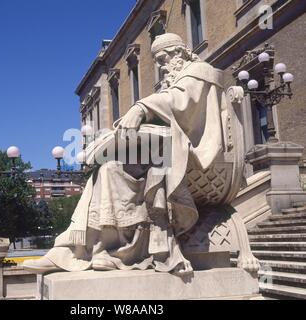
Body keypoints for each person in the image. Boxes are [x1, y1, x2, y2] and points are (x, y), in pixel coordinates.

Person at [22, 33, 226, 276]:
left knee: (122, 171)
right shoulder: (176, 79)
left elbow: (181, 103)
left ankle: (103, 249)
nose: (160, 66)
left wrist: (141, 108)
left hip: (192, 152)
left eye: (162, 59)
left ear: (178, 53)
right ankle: (93, 249)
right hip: (164, 151)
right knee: (108, 169)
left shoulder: (199, 72)